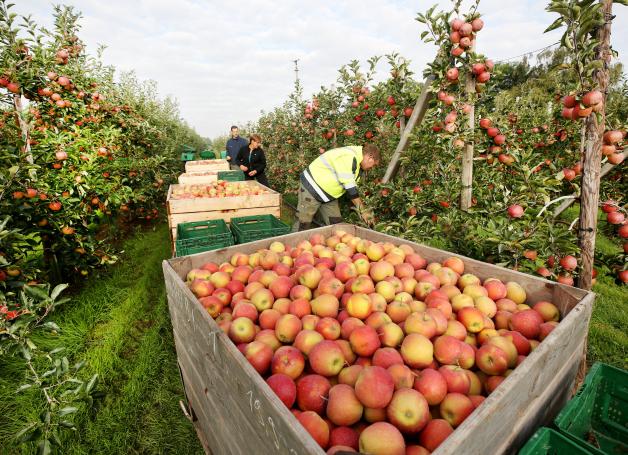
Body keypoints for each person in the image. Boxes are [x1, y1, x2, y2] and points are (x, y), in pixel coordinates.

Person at [296, 144, 380, 231]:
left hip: (328, 195)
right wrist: (363, 211)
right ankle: (291, 241)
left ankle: (334, 243)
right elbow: (351, 189)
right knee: (302, 223)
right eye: (373, 165)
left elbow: (351, 190)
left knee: (336, 226)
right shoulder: (349, 157)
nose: (371, 168)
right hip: (312, 187)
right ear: (370, 157)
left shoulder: (357, 163)